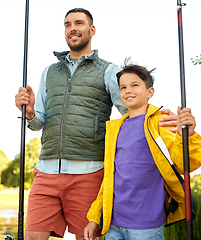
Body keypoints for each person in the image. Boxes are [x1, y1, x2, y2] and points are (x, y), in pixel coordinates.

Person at [15, 8, 177, 240]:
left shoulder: (109, 71)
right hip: (46, 169)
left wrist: (160, 120)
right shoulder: (49, 72)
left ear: (91, 30)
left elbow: (132, 111)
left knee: (87, 237)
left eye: (79, 23)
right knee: (31, 237)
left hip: (89, 171)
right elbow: (38, 121)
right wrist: (29, 112)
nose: (73, 28)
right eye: (68, 24)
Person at [83, 60, 201, 240]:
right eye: (123, 87)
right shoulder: (116, 129)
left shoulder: (161, 123)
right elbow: (109, 179)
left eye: (135, 85)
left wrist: (187, 136)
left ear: (150, 92)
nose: (128, 90)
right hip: (113, 224)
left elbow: (186, 164)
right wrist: (95, 217)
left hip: (146, 225)